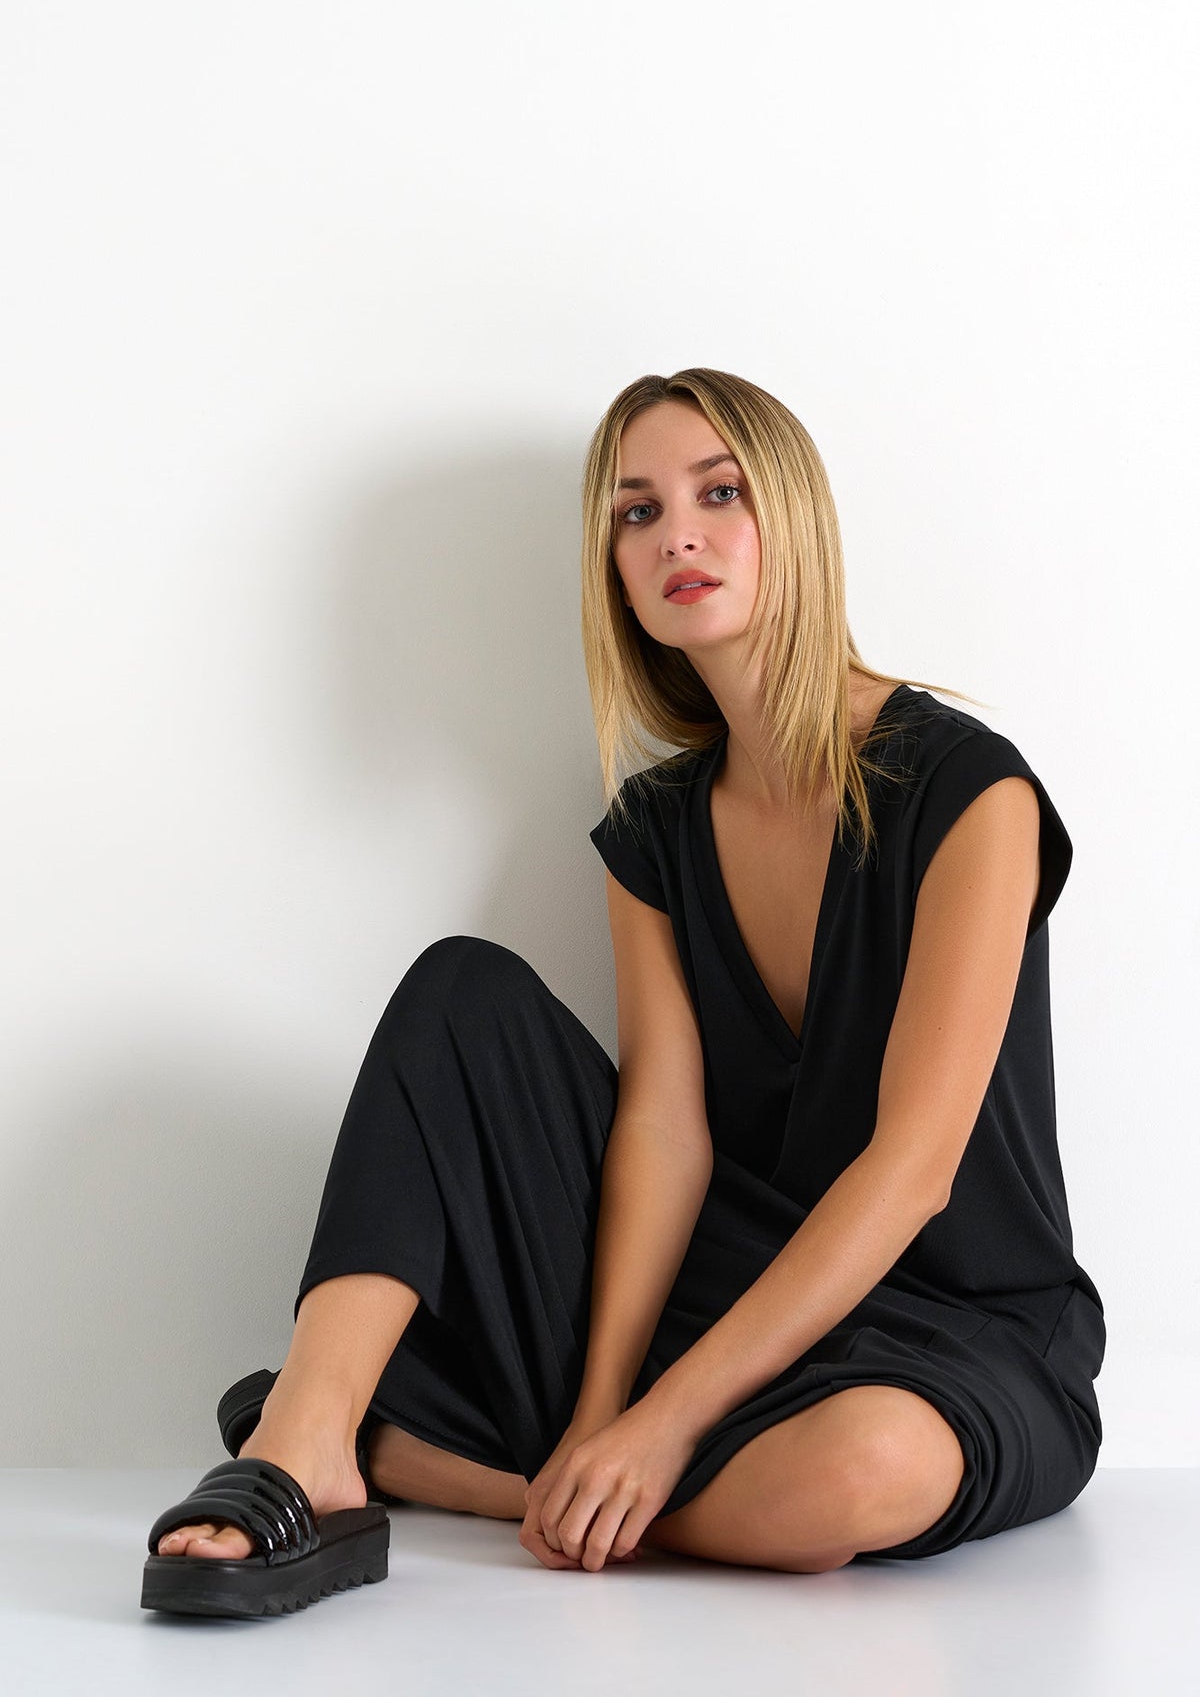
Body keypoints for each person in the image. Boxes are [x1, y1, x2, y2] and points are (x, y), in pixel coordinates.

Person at [141, 367, 1105, 1618]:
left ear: (795, 518)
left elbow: (914, 1169)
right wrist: (607, 1407)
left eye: (719, 493)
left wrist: (662, 1425)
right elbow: (664, 1130)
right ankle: (309, 1443)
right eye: (637, 512)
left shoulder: (972, 792)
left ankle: (490, 1478)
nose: (676, 536)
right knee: (460, 993)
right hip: (731, 1288)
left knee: (862, 1473)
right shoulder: (655, 829)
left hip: (954, 1320)